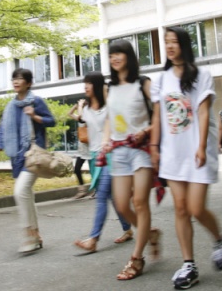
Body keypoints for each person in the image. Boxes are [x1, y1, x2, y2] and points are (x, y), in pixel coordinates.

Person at [150, 27, 222, 290]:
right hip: (172, 153)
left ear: (184, 45)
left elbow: (204, 111)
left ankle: (220, 239)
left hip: (197, 151)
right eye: (166, 42)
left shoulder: (202, 75)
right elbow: (156, 116)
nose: (170, 46)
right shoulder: (161, 79)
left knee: (196, 208)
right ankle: (189, 264)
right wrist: (154, 146)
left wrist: (200, 147)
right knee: (182, 209)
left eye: (174, 42)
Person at [100, 39, 158, 281]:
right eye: (111, 54)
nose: (115, 58)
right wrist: (105, 140)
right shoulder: (109, 88)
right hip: (119, 150)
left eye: (119, 53)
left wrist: (146, 132)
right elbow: (109, 119)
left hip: (141, 149)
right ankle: (150, 233)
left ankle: (137, 258)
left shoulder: (143, 83)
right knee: (123, 206)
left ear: (129, 56)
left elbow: (161, 114)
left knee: (139, 202)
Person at [0, 68, 56, 254]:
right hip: (18, 157)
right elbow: (3, 129)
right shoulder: (10, 106)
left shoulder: (36, 101)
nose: (16, 82)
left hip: (34, 154)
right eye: (14, 78)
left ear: (28, 83)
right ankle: (35, 236)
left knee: (20, 192)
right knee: (26, 194)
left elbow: (51, 121)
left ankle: (29, 236)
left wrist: (34, 116)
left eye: (20, 79)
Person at [70, 72, 135, 253]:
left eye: (89, 83)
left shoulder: (109, 107)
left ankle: (93, 238)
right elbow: (81, 120)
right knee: (113, 198)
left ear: (98, 86)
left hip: (111, 155)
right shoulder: (89, 110)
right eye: (84, 84)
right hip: (95, 157)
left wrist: (106, 92)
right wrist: (81, 106)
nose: (85, 87)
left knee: (101, 196)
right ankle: (129, 229)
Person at [69, 100, 92, 199]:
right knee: (77, 169)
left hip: (91, 148)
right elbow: (69, 114)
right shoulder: (80, 118)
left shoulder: (88, 118)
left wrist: (80, 105)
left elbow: (82, 116)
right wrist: (76, 105)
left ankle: (97, 190)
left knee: (94, 171)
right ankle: (82, 190)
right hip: (82, 150)